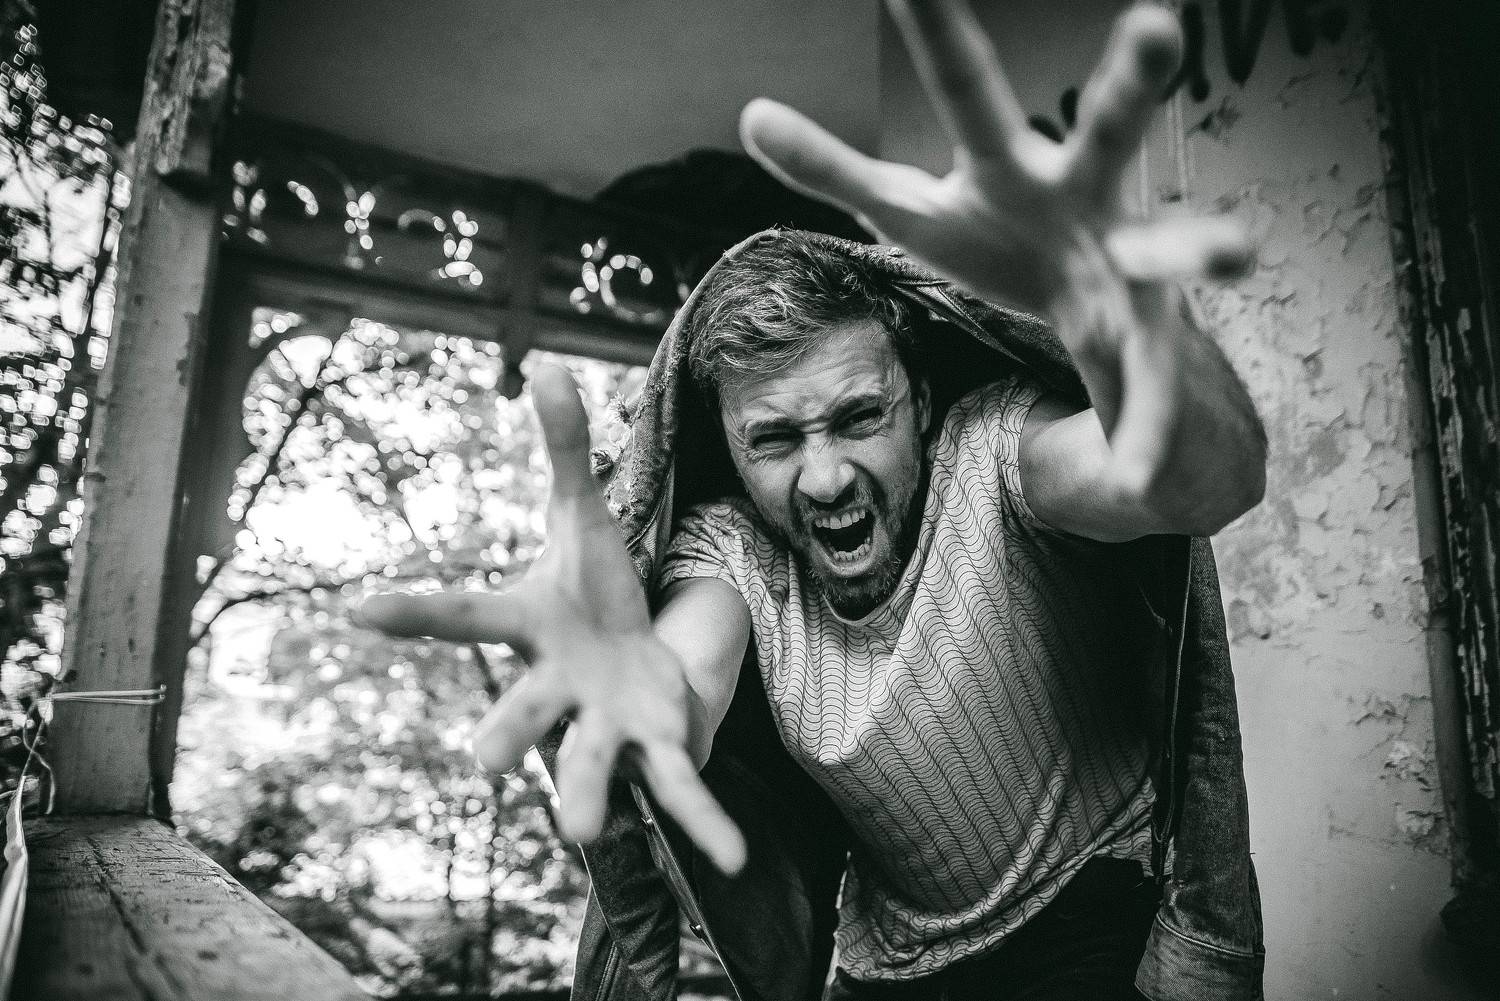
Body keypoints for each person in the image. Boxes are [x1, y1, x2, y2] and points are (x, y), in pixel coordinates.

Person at [362, 2, 1268, 999]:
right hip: (883, 966)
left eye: (859, 416)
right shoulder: (732, 550)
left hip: (1088, 920)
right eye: (776, 439)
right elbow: (687, 679)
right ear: (729, 450)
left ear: (921, 402)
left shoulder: (996, 450)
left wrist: (1115, 313)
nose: (827, 476)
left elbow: (1201, 484)